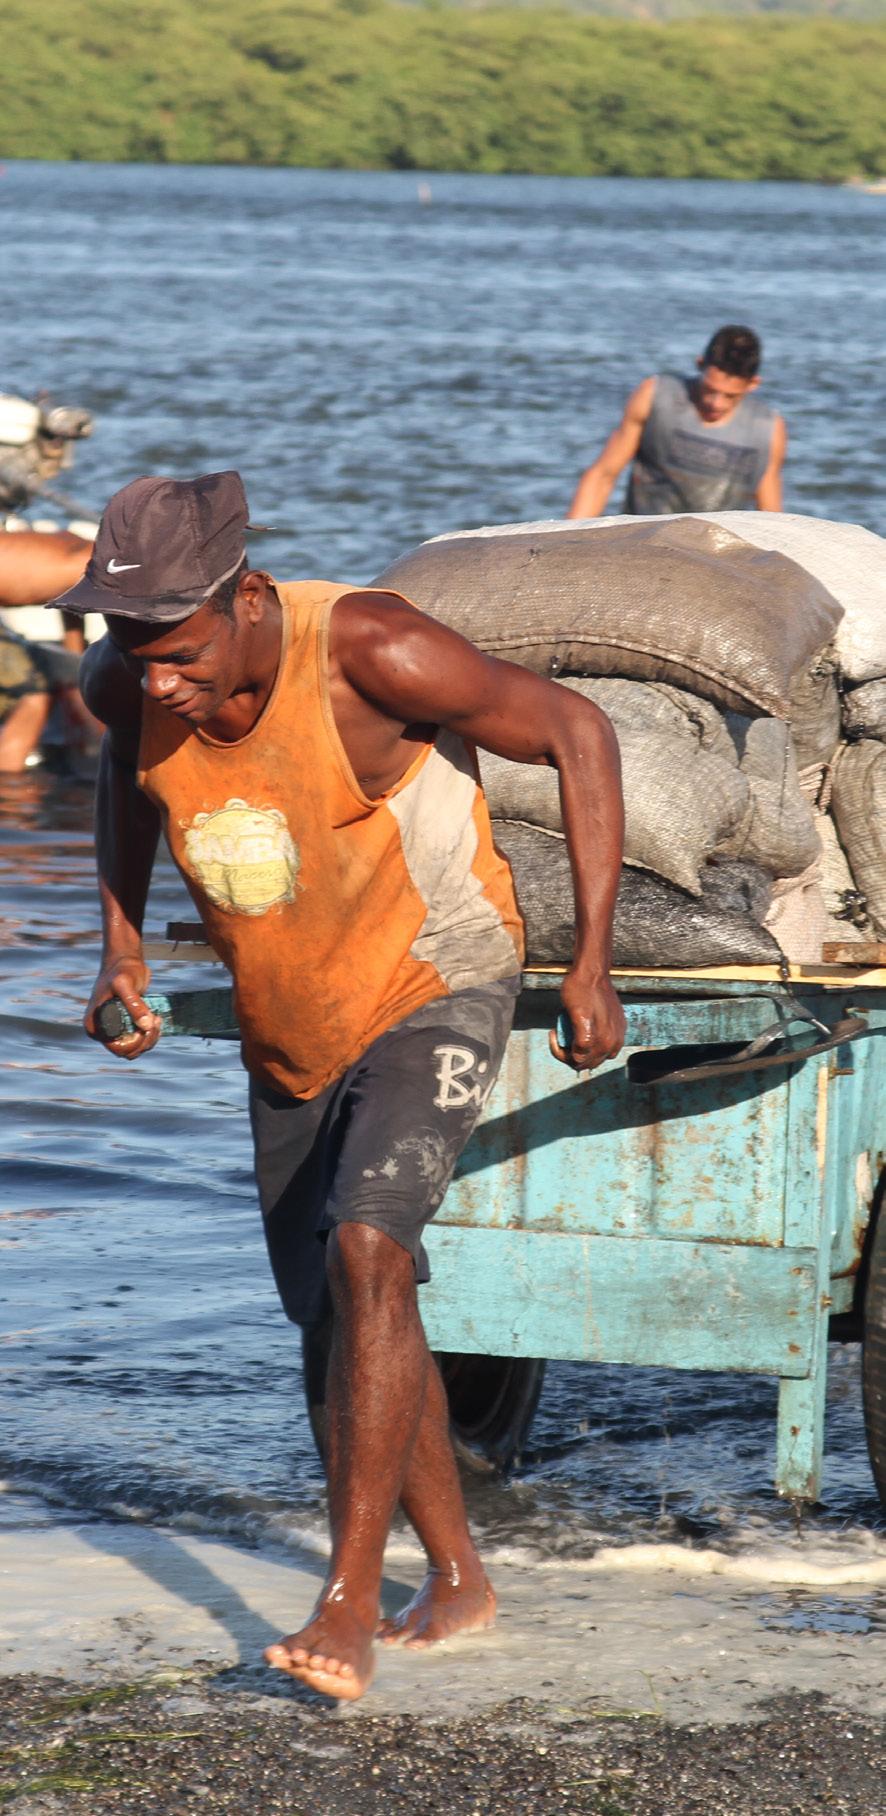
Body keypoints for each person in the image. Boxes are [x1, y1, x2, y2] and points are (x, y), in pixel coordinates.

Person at [62, 470, 626, 1703]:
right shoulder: (128, 679)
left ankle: (348, 1601)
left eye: (177, 647)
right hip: (293, 1016)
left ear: (248, 598)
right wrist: (121, 940)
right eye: (128, 643)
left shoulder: (366, 650)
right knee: (341, 1311)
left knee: (371, 1249)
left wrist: (588, 960)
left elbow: (578, 729)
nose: (153, 676)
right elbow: (123, 777)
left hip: (437, 971)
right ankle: (461, 1574)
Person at [567, 324, 787, 520]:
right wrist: (566, 540)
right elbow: (603, 475)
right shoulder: (655, 395)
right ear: (700, 365)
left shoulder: (767, 429)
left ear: (753, 384)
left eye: (730, 396)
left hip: (717, 557)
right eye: (709, 390)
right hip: (643, 543)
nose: (716, 403)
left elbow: (770, 516)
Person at [0, 528, 93, 771]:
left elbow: (73, 600)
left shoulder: (84, 556)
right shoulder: (102, 568)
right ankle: (9, 790)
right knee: (33, 693)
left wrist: (76, 665)